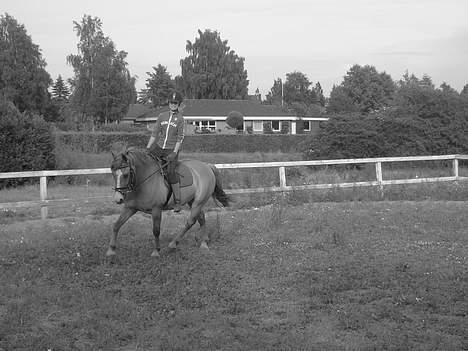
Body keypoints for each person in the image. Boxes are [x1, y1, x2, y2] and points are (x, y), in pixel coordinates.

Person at [147, 91, 185, 212]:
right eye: (171, 102)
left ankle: (177, 201)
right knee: (145, 164)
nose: (173, 105)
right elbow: (155, 133)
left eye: (175, 103)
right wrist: (148, 148)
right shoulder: (161, 116)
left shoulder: (180, 119)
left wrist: (174, 152)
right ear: (169, 103)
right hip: (159, 147)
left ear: (178, 104)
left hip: (171, 149)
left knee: (170, 172)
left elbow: (180, 138)